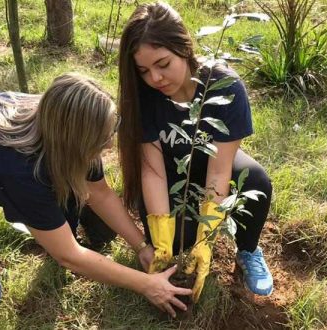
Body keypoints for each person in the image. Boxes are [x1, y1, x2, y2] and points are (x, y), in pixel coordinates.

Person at [0, 73, 191, 317]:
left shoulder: (64, 121)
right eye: (101, 141)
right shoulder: (22, 169)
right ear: (75, 139)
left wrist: (140, 246)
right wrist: (147, 285)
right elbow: (69, 256)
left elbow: (99, 193)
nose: (108, 147)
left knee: (67, 188)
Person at [117, 2, 274, 302]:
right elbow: (152, 170)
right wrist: (161, 233)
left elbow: (219, 169)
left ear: (184, 47)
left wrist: (207, 237)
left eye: (163, 64)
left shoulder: (224, 88)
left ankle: (248, 250)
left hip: (209, 165)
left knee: (256, 183)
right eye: (144, 71)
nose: (155, 79)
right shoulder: (144, 98)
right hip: (167, 176)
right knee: (176, 244)